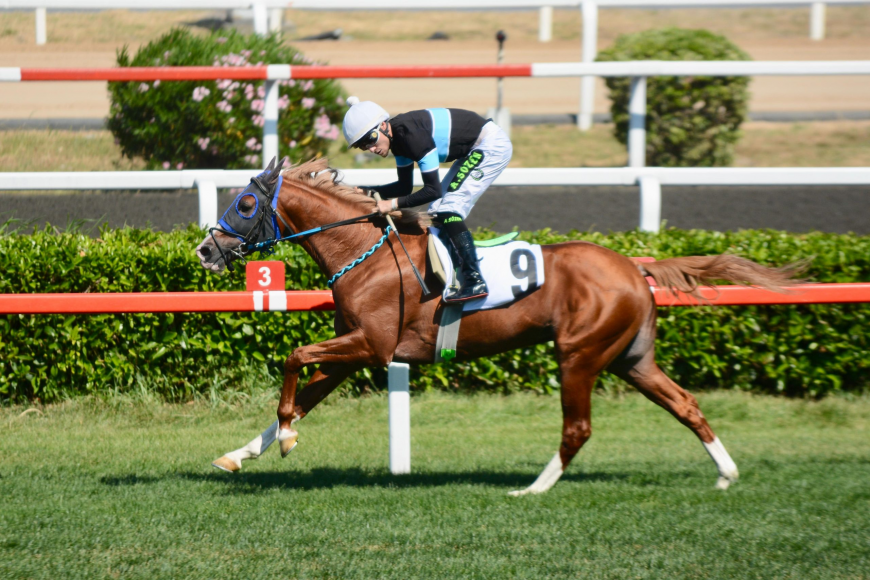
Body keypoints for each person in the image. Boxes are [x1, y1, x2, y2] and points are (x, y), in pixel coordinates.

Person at [342, 96, 513, 303]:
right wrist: (368, 192)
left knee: (448, 208)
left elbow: (432, 190)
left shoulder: (411, 137)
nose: (371, 149)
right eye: (362, 146)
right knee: (437, 210)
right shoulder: (398, 140)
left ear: (384, 126)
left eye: (371, 139)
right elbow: (404, 187)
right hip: (472, 149)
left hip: (490, 145)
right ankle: (455, 270)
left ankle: (474, 280)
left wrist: (391, 204)